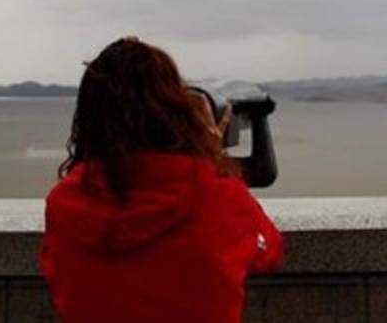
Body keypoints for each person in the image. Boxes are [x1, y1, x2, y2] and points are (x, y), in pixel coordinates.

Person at [40, 37, 283, 322]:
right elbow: (270, 252)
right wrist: (211, 155)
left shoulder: (63, 205)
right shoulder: (218, 196)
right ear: (175, 111)